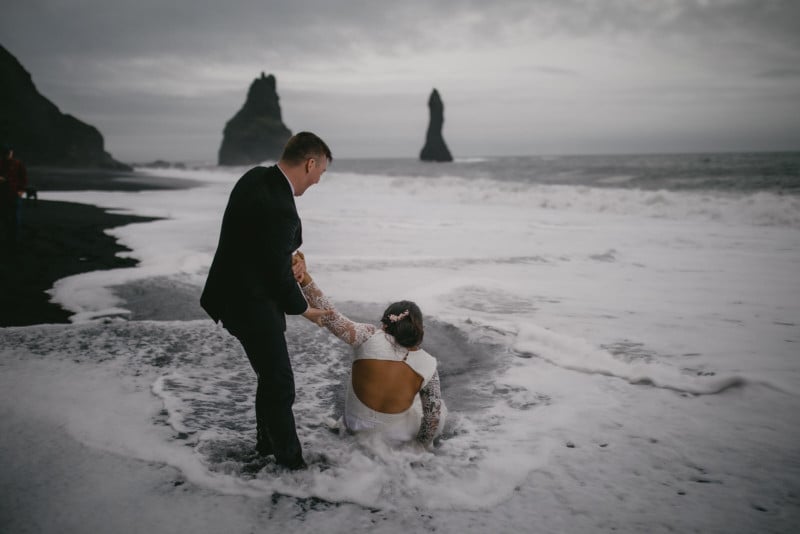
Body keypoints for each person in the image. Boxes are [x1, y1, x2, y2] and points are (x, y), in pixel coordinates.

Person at [200, 132, 333, 470]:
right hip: (249, 302)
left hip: (229, 292)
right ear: (310, 163)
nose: (318, 180)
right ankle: (292, 465)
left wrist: (293, 256)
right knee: (280, 382)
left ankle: (266, 445)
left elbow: (262, 241)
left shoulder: (255, 178)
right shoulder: (280, 208)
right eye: (321, 172)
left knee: (270, 377)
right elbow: (275, 270)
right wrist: (305, 309)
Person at [293, 253, 447, 448]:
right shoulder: (429, 365)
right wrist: (420, 447)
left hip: (355, 430)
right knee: (435, 406)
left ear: (385, 322)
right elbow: (432, 418)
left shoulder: (367, 336)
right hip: (395, 441)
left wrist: (304, 277)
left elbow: (331, 316)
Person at [0, 145, 28, 247]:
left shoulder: (17, 163)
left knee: (15, 218)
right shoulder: (2, 163)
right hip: (3, 194)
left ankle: (14, 240)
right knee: (5, 217)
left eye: (9, 153)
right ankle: (8, 240)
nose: (8, 155)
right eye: (6, 153)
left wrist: (21, 191)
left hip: (14, 194)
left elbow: (24, 177)